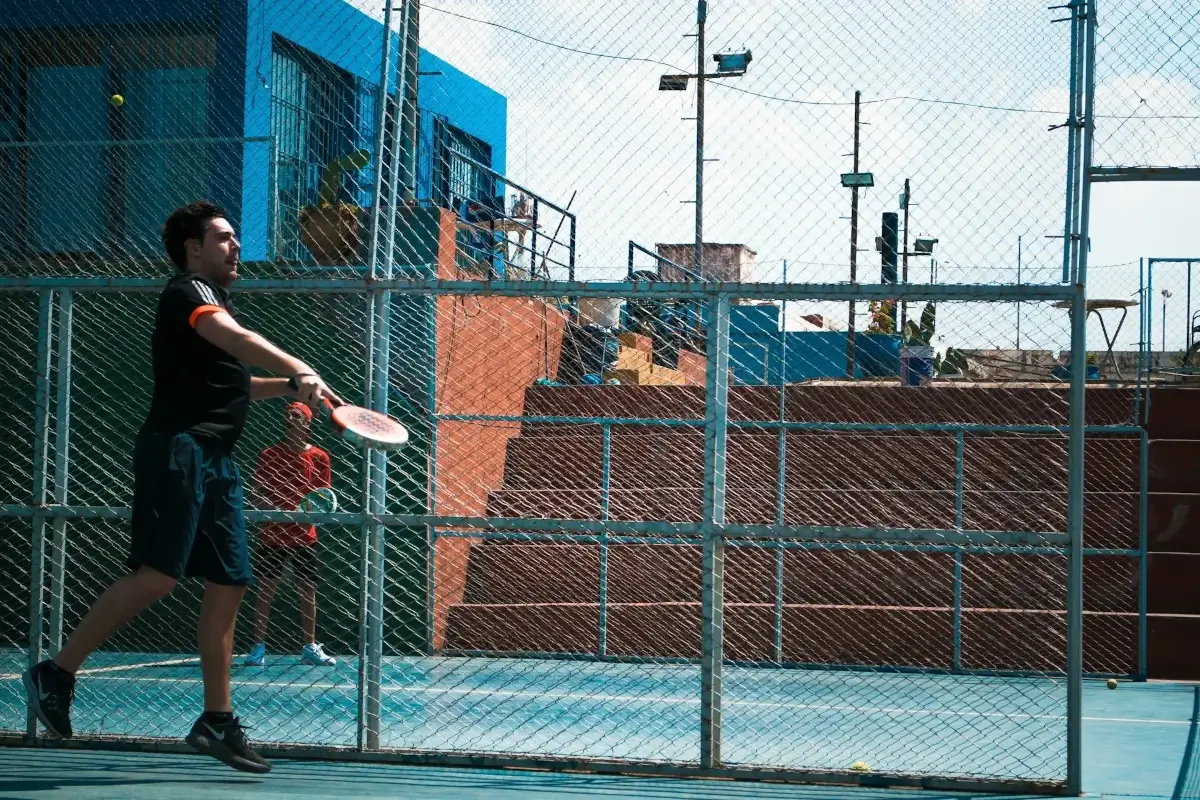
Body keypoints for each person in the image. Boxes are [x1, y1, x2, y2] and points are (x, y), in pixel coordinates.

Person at [23, 201, 339, 775]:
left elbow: (238, 384)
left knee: (230, 580)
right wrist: (299, 367)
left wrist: (295, 389)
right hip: (179, 451)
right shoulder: (188, 293)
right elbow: (233, 336)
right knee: (158, 576)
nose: (235, 246)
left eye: (236, 238)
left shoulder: (213, 308)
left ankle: (216, 720)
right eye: (223, 238)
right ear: (194, 248)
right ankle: (57, 671)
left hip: (217, 461)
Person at [244, 402, 336, 668]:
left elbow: (323, 497)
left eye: (297, 414)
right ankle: (258, 647)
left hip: (304, 537)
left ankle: (310, 646)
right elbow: (256, 492)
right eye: (288, 414)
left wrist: (303, 516)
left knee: (307, 591)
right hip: (271, 535)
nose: (290, 417)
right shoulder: (269, 454)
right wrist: (274, 512)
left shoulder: (320, 457)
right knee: (265, 591)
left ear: (307, 423)